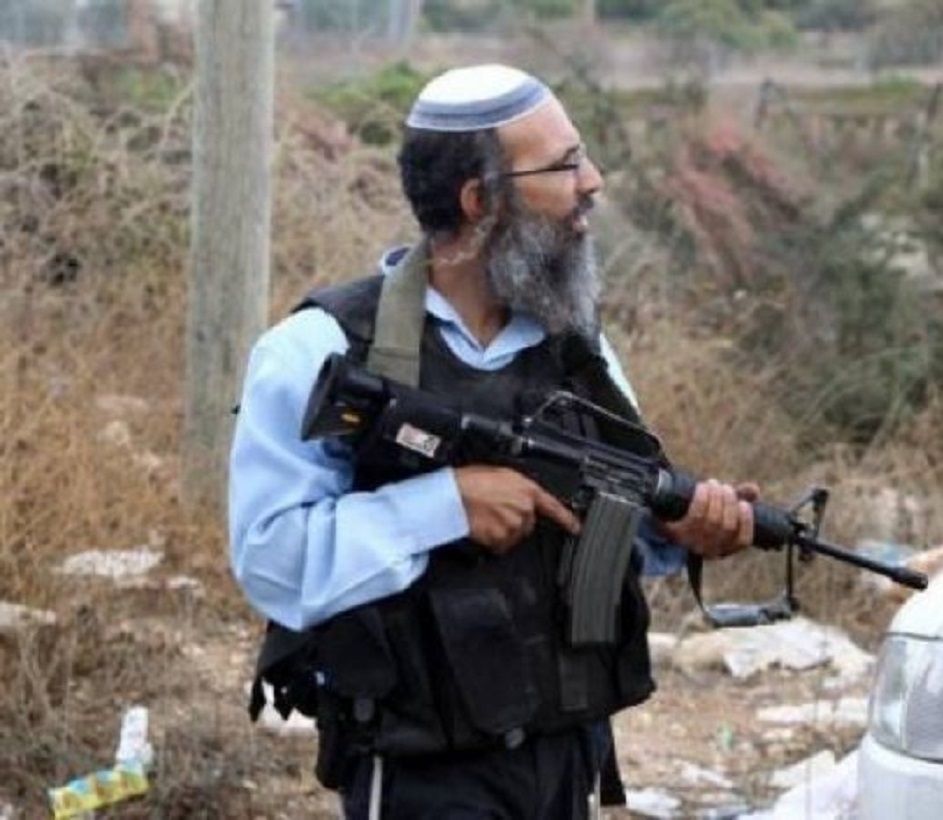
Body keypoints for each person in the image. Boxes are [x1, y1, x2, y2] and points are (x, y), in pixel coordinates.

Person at [229, 64, 758, 820]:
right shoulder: (319, 349)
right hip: (422, 768)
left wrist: (677, 532)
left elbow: (597, 529)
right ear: (480, 200)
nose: (592, 183)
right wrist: (446, 505)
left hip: (563, 753)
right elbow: (272, 560)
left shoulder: (579, 352)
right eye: (564, 165)